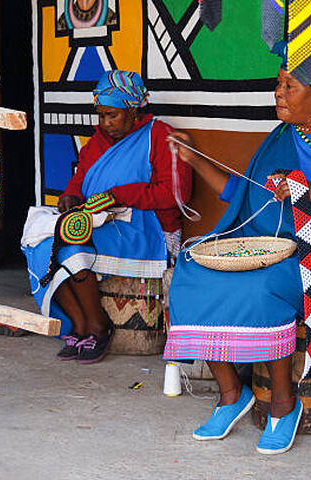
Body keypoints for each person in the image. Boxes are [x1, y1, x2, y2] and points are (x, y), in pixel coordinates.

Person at [164, 44, 311, 455]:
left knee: (265, 284)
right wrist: (194, 159)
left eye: (289, 85)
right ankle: (230, 394)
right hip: (280, 246)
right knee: (192, 271)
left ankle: (283, 405)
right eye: (278, 83)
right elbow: (246, 196)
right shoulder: (281, 138)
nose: (278, 92)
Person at [25, 70, 191, 364]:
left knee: (73, 244)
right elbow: (80, 176)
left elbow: (174, 195)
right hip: (101, 221)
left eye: (112, 115)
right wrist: (71, 195)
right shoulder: (99, 139)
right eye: (101, 115)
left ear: (133, 109)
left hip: (148, 229)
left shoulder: (159, 136)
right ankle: (79, 324)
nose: (105, 123)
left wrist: (121, 195)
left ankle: (99, 326)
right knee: (40, 241)